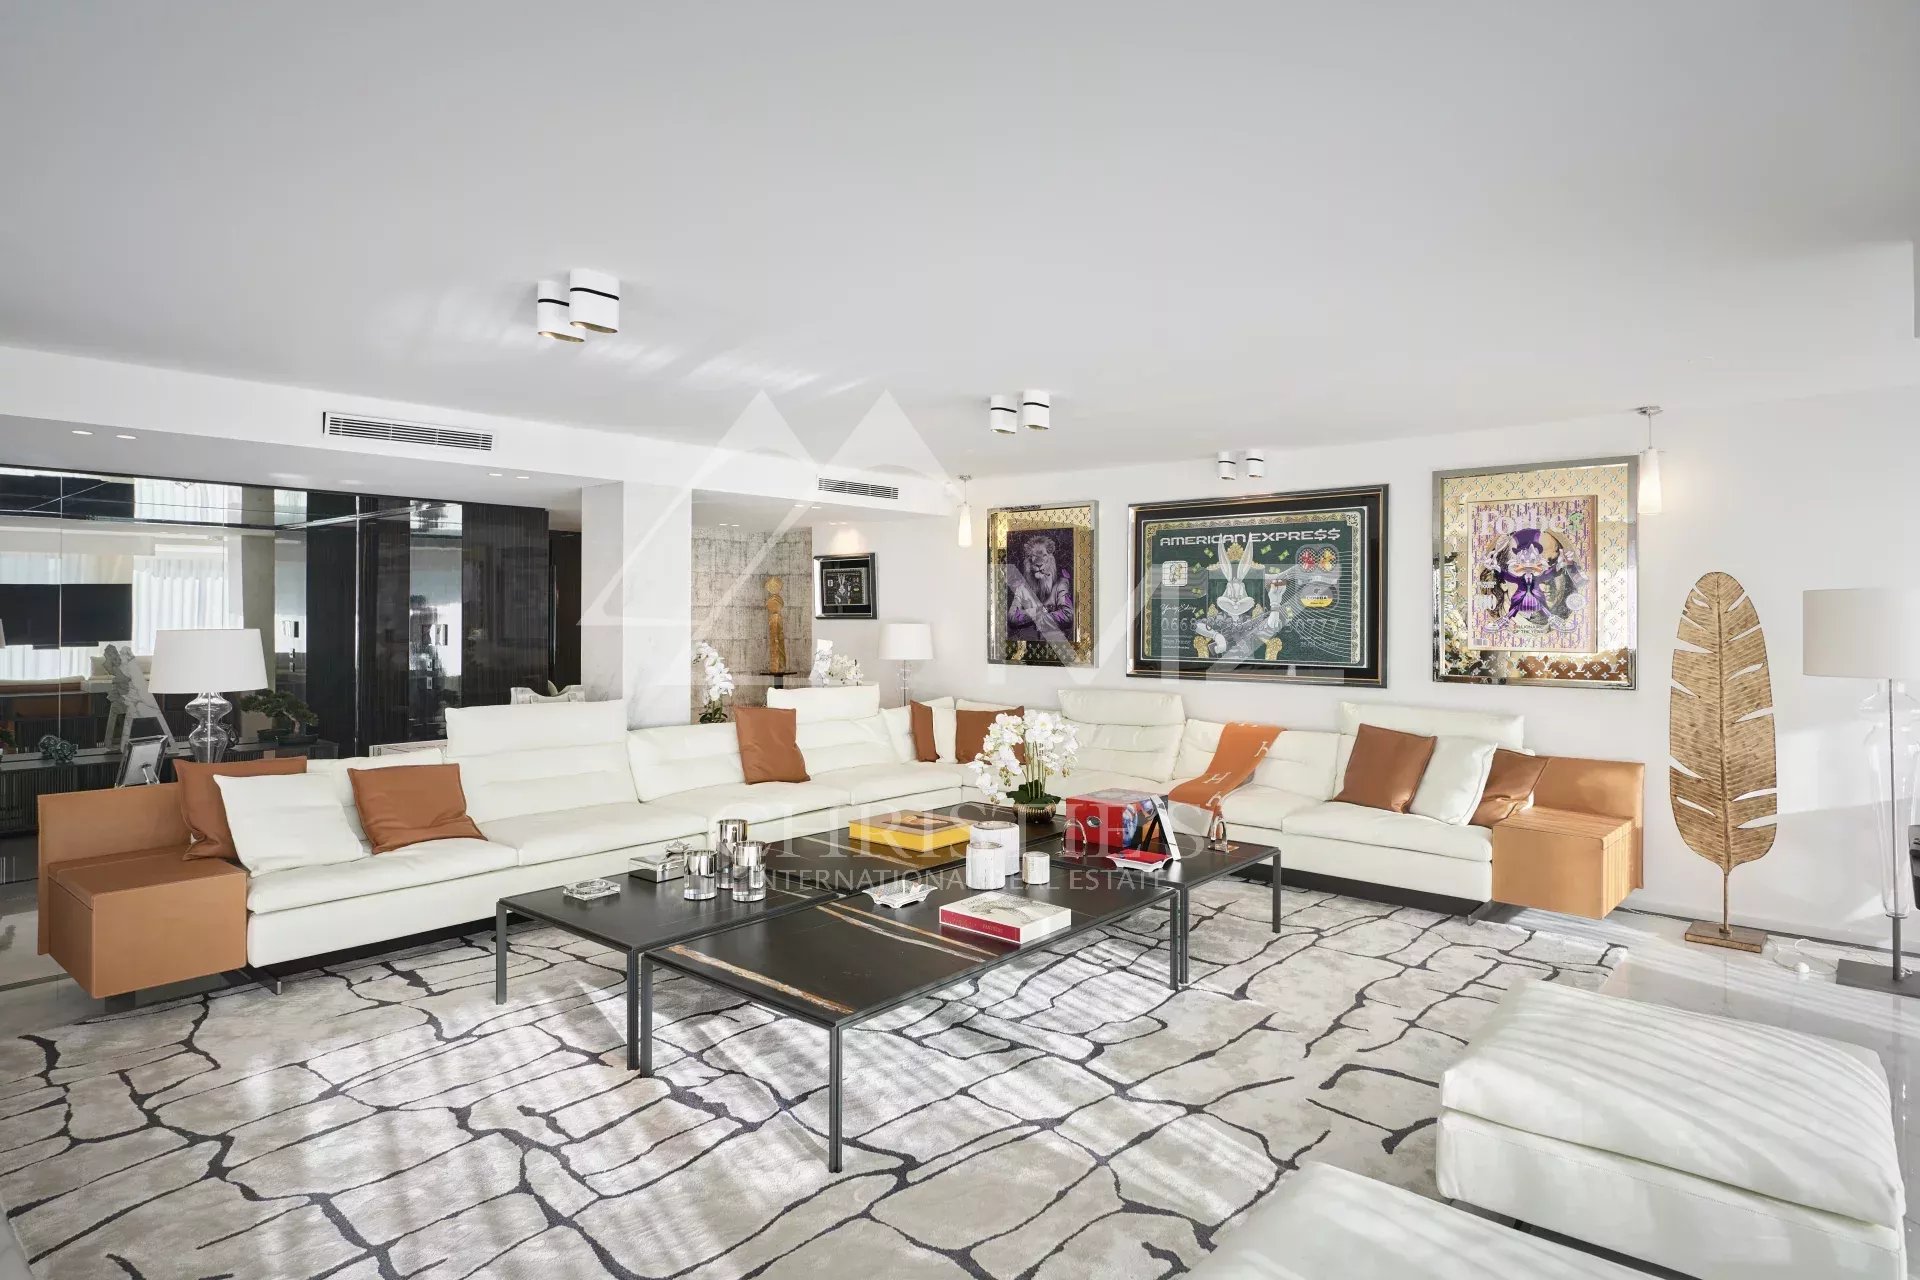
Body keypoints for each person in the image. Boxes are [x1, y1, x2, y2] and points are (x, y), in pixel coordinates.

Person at [1007, 534, 1074, 643]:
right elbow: (1011, 617)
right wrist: (1039, 612)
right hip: (1027, 643)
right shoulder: (1022, 588)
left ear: (1050, 558)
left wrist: (1032, 615)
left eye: (1044, 555)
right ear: (1028, 560)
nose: (1039, 562)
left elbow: (1068, 615)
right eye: (1034, 556)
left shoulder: (1060, 584)